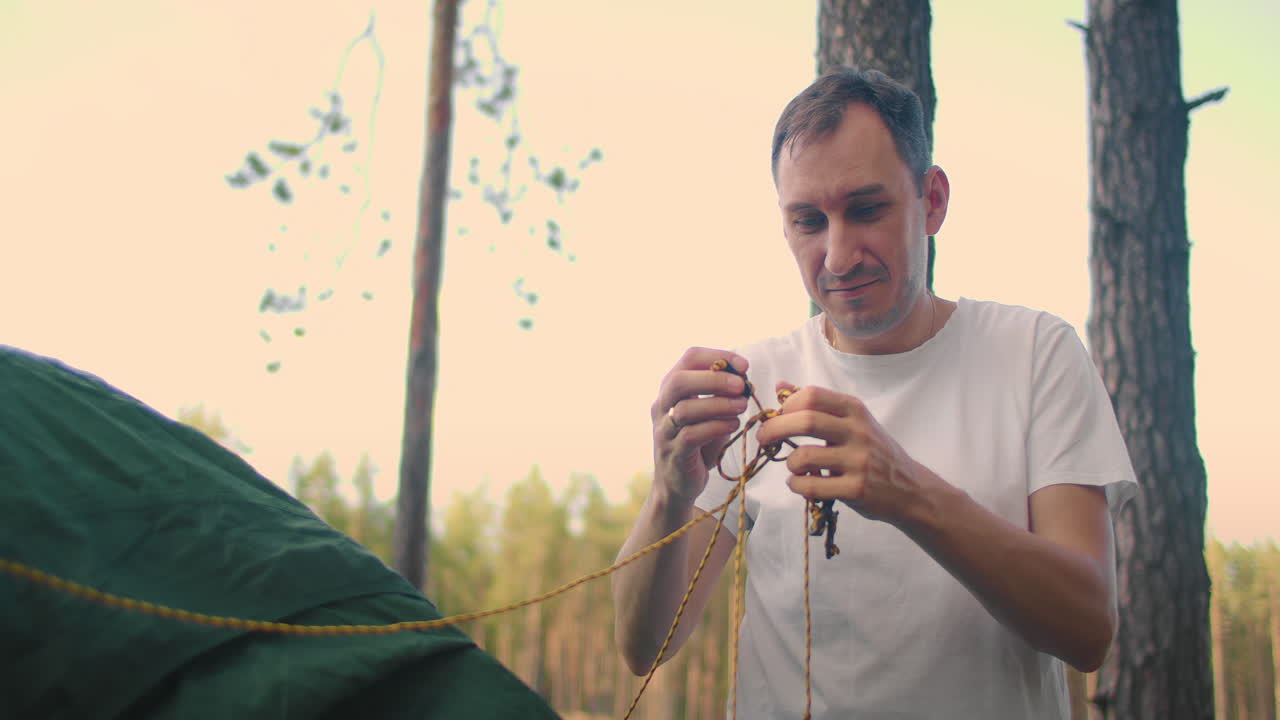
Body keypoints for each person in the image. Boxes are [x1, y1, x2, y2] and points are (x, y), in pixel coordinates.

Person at [611, 68, 1137, 719]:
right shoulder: (756, 384)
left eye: (866, 210)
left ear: (933, 199)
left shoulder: (1035, 353)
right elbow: (643, 647)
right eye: (808, 221)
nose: (837, 256)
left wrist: (908, 493)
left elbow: (1089, 630)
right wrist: (669, 491)